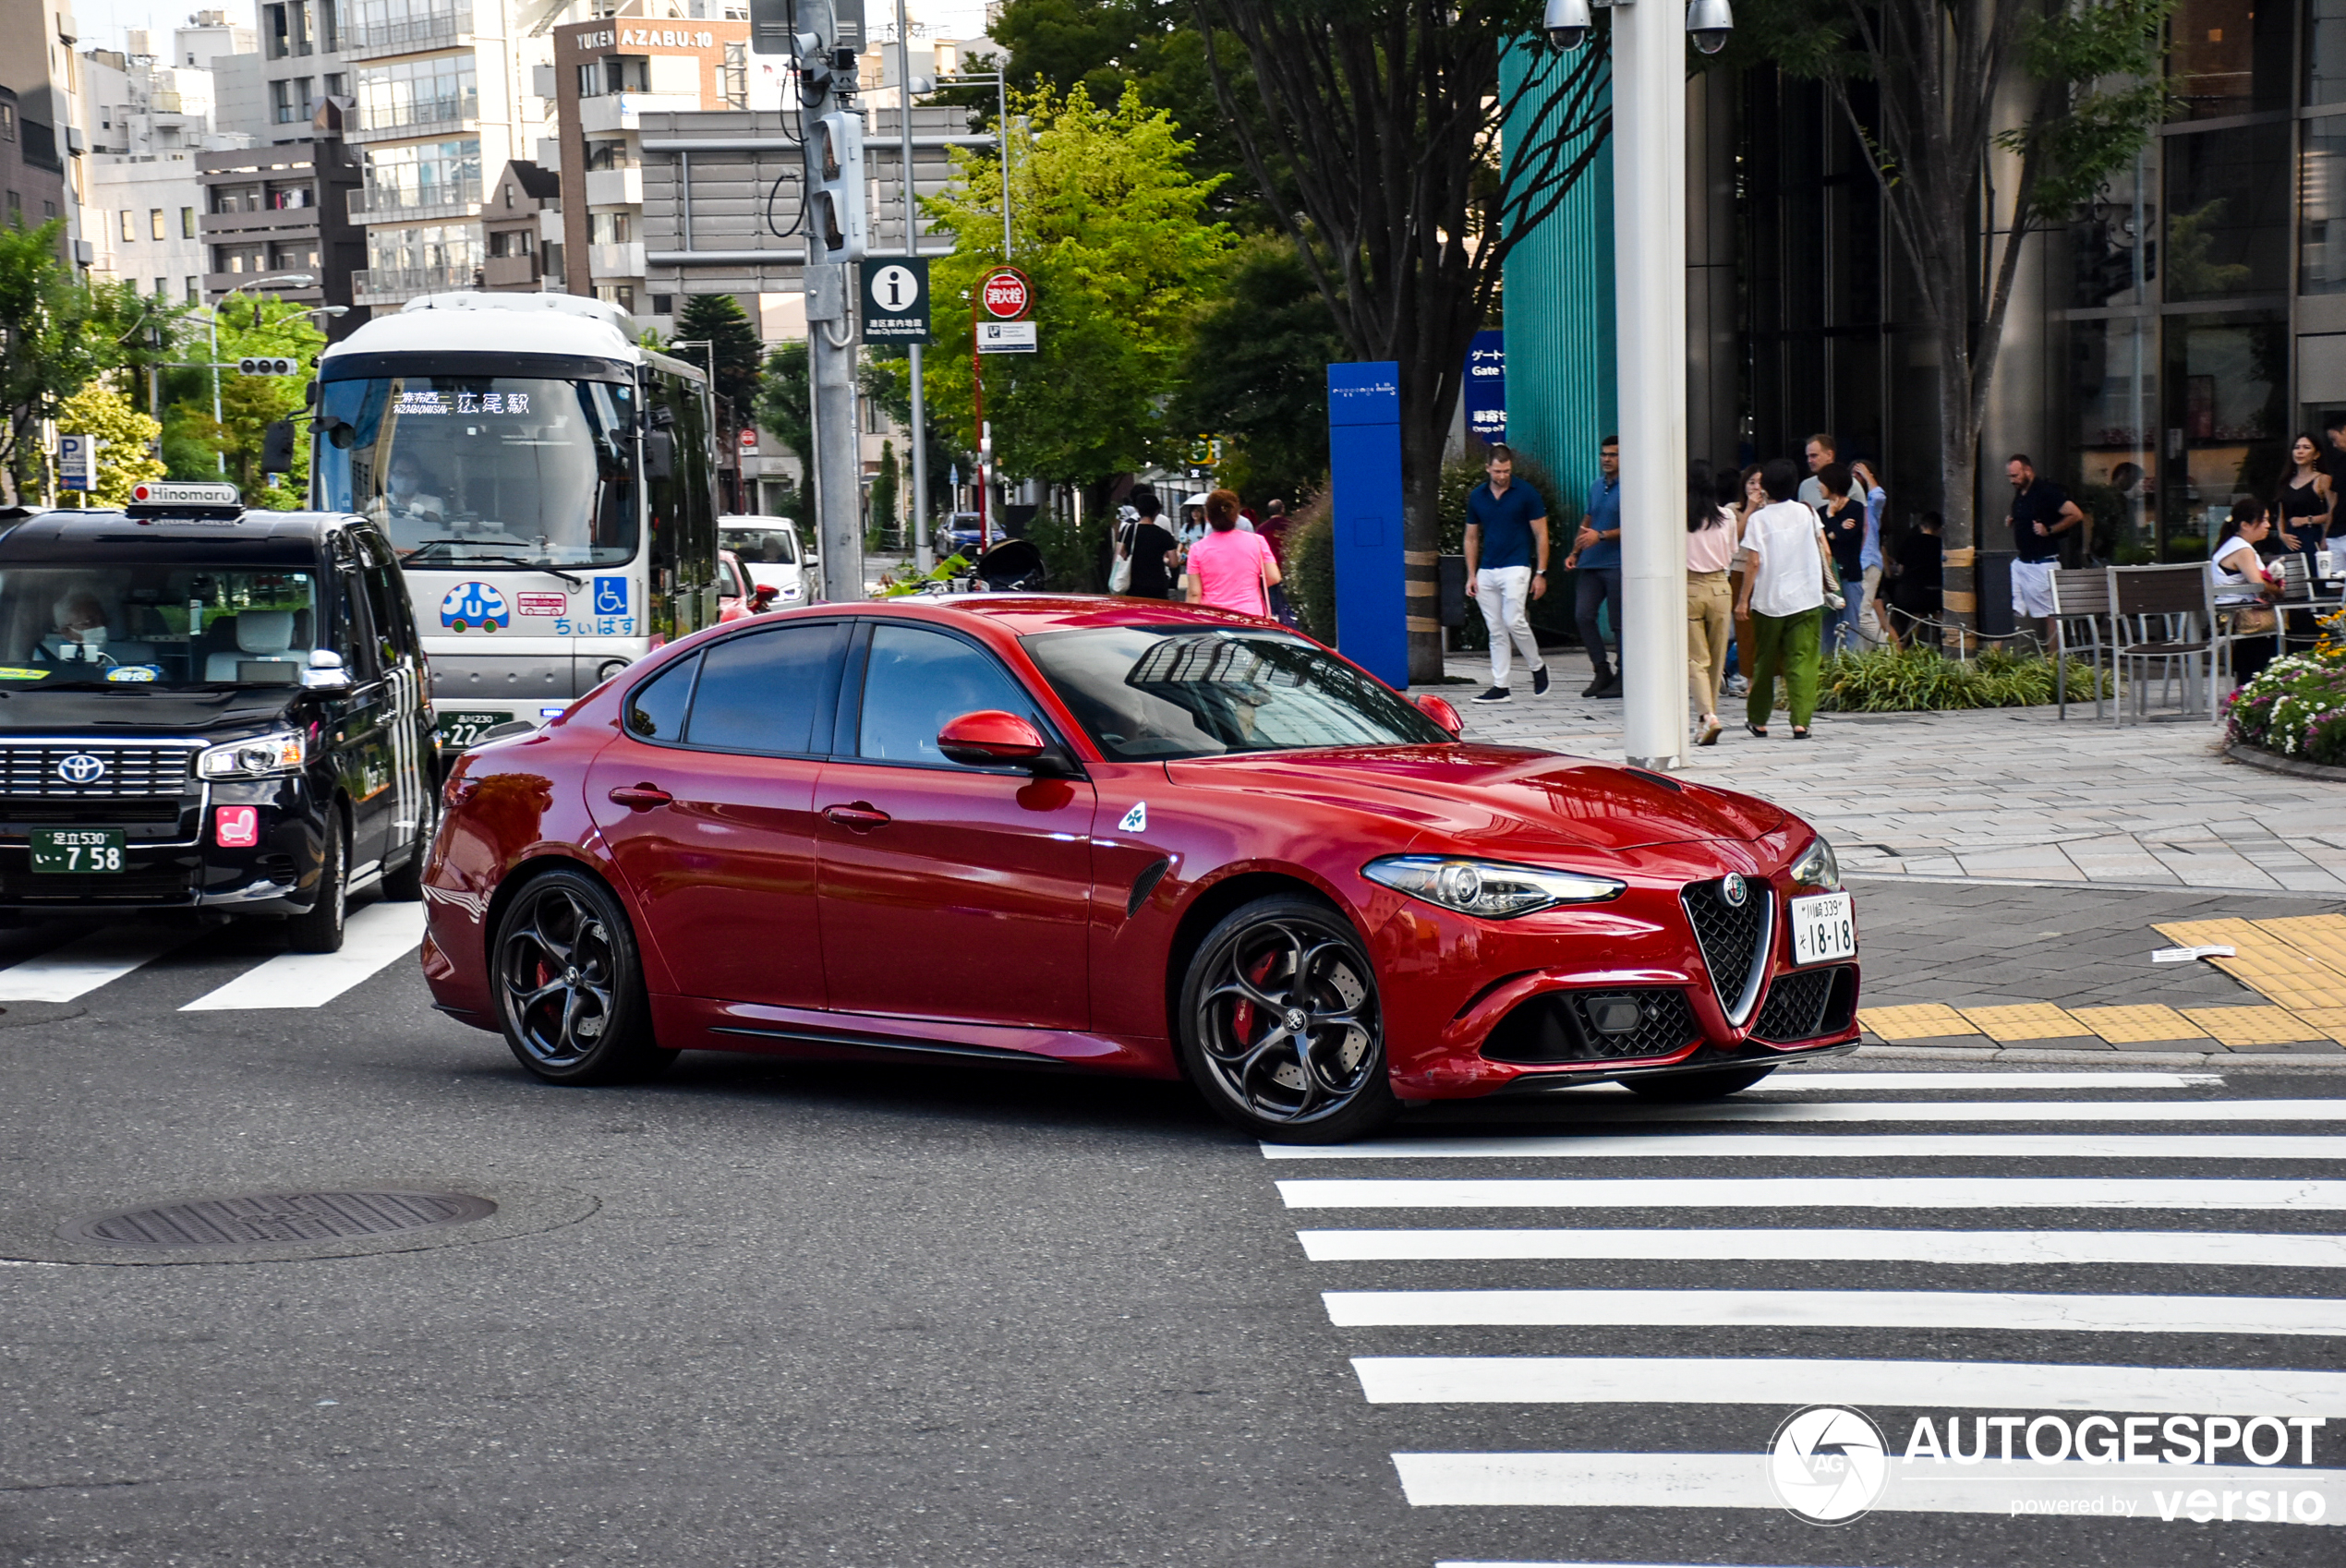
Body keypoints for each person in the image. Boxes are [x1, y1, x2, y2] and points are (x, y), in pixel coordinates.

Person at [1735, 457, 1829, 740]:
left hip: (1769, 601)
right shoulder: (1807, 512)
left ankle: (1759, 720)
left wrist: (1742, 600)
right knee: (1802, 660)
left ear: (1765, 488)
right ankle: (1801, 722)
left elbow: (1753, 562)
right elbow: (1825, 550)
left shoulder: (1759, 519)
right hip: (1807, 598)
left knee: (1764, 660)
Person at [1462, 442, 1551, 703]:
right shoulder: (1478, 496)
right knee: (1496, 628)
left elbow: (1541, 533)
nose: (1502, 476)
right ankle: (1501, 685)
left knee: (1514, 620)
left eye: (1507, 471)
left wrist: (1541, 572)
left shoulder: (1526, 493)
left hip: (1517, 565)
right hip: (1487, 569)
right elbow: (1471, 537)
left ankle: (1536, 666)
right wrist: (1472, 574)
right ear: (1488, 468)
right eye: (1498, 471)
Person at [2004, 454, 2085, 649]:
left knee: (2050, 613)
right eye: (2009, 476)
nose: (2012, 480)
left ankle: (2053, 662)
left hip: (2042, 562)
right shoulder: (2021, 494)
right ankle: (1995, 658)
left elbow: (2076, 514)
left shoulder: (2047, 491)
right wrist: (2013, 520)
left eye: (2015, 475)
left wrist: (2049, 529)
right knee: (2006, 604)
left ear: (2028, 471)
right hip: (2022, 561)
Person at [1567, 435, 1624, 697]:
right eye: (1604, 454)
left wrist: (1601, 536)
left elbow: (1636, 524)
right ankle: (1601, 670)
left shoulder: (1631, 486)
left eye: (1612, 455)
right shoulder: (1596, 485)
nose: (1606, 459)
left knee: (1618, 622)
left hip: (1617, 562)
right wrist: (1576, 550)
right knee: (1583, 615)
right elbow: (1589, 517)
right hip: (1591, 561)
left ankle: (1624, 673)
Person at [1686, 462, 1736, 746]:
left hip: (1689, 587)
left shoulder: (1678, 516)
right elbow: (1731, 553)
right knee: (1716, 660)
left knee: (1695, 659)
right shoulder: (1727, 517)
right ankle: (1708, 717)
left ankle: (1708, 717)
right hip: (1720, 587)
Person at [2211, 498, 2284, 689]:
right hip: (2243, 617)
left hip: (2230, 614)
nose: (2269, 525)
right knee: (2297, 624)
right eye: (2264, 520)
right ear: (2245, 525)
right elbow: (2258, 585)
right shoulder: (2242, 550)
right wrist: (2278, 590)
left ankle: (2250, 688)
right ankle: (2262, 688)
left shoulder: (2230, 545)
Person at [1185, 488, 1280, 616]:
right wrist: (1252, 587)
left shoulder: (1197, 549)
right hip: (1250, 614)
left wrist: (1190, 619)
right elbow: (1274, 576)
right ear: (1236, 516)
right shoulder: (1257, 541)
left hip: (1213, 616)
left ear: (1207, 518)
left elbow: (1194, 592)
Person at [1815, 462, 1866, 656]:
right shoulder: (1819, 512)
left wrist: (1832, 518)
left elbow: (1844, 537)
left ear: (1832, 484)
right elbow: (1823, 539)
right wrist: (1836, 526)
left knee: (1850, 624)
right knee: (1827, 626)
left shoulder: (1856, 508)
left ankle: (1850, 669)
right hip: (1829, 577)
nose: (1819, 487)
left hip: (1850, 575)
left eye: (1822, 483)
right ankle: (1827, 670)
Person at [1886, 511, 1944, 646]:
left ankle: (1906, 645)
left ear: (1921, 526)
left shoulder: (1910, 541)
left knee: (1916, 614)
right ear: (1939, 529)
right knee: (1938, 613)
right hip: (1935, 595)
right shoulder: (1941, 544)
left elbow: (1900, 569)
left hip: (1910, 594)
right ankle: (1945, 644)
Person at [2275, 433, 2334, 560]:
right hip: (2290, 540)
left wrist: (2307, 520)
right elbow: (2282, 514)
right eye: (2297, 447)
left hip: (2312, 536)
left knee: (2313, 575)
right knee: (2290, 577)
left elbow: (2333, 511)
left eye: (2306, 448)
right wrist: (2281, 534)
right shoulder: (2286, 480)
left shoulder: (2322, 479)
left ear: (2316, 454)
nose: (2300, 452)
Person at [1852, 458, 1888, 645]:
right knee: (1859, 614)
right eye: (1853, 475)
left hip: (1869, 563)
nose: (1855, 479)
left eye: (1859, 475)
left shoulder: (1871, 507)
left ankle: (1887, 655)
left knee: (1862, 615)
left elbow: (1880, 496)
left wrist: (1867, 475)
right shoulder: (1852, 506)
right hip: (1858, 564)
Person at [1119, 492, 1179, 600]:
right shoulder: (1164, 534)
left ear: (1138, 510)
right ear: (1157, 512)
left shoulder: (1129, 530)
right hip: (1158, 585)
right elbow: (1174, 563)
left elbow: (1121, 553)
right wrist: (1165, 561)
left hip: (1134, 583)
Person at [1796, 433, 1836, 510]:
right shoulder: (1805, 486)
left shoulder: (1851, 485)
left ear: (1829, 455)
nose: (1809, 461)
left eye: (1814, 455)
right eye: (1808, 456)